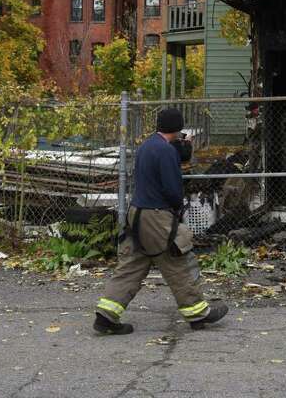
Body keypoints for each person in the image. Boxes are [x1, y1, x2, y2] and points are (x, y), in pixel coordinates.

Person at [93, 108, 228, 335]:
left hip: (137, 214)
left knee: (131, 266)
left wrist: (181, 151)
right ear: (178, 128)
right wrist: (177, 207)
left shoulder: (148, 145)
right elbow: (172, 189)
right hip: (156, 217)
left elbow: (164, 161)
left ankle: (105, 315)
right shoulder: (166, 151)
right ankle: (198, 314)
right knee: (179, 261)